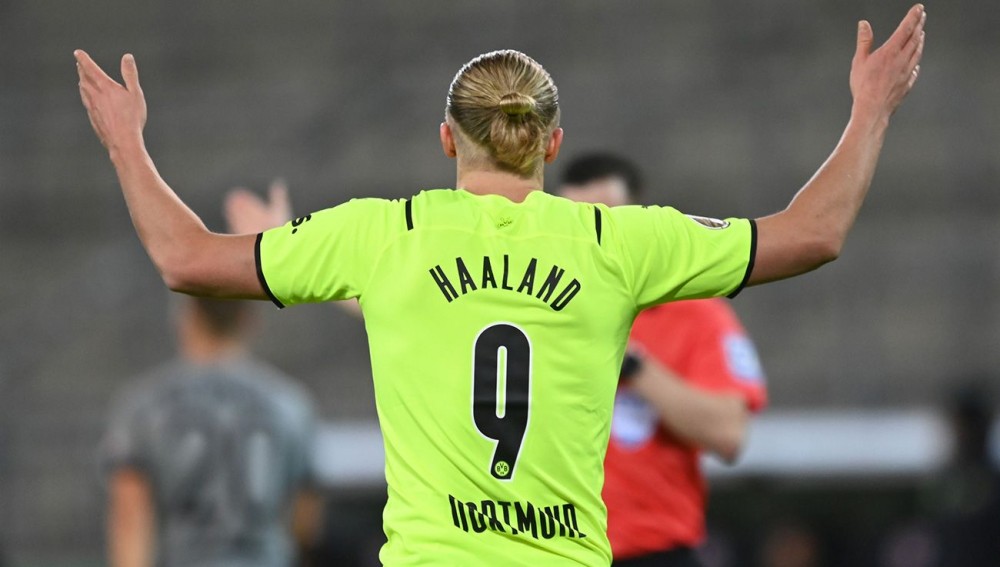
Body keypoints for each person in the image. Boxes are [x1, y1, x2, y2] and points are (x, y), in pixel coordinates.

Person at [74, 6, 926, 564]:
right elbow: (812, 234)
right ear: (553, 144)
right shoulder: (616, 241)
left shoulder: (383, 233)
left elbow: (186, 258)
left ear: (448, 139)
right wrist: (870, 109)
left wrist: (126, 143)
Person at [558, 154, 767, 567]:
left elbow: (728, 432)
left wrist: (633, 366)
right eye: (576, 222)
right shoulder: (536, 308)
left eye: (604, 220)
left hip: (651, 550)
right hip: (552, 548)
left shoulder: (693, 311)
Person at [99, 192, 322, 567]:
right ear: (251, 319)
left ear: (185, 317)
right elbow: (306, 518)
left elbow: (130, 516)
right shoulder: (291, 403)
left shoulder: (143, 406)